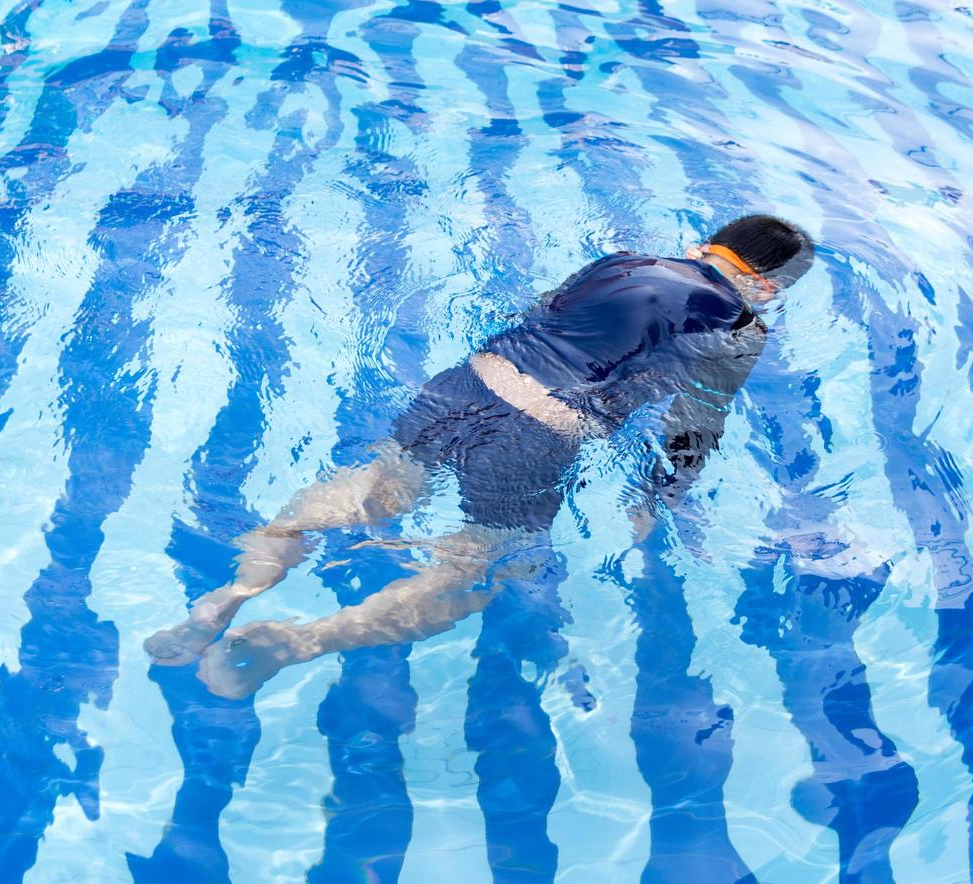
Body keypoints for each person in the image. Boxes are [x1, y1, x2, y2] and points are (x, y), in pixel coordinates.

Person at [146, 215, 815, 698]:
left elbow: (540, 315)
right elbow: (693, 426)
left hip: (467, 382)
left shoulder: (624, 262)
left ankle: (230, 594)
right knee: (485, 564)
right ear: (768, 289)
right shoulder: (741, 326)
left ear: (706, 246)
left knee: (373, 487)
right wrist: (656, 498)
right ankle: (299, 642)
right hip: (544, 432)